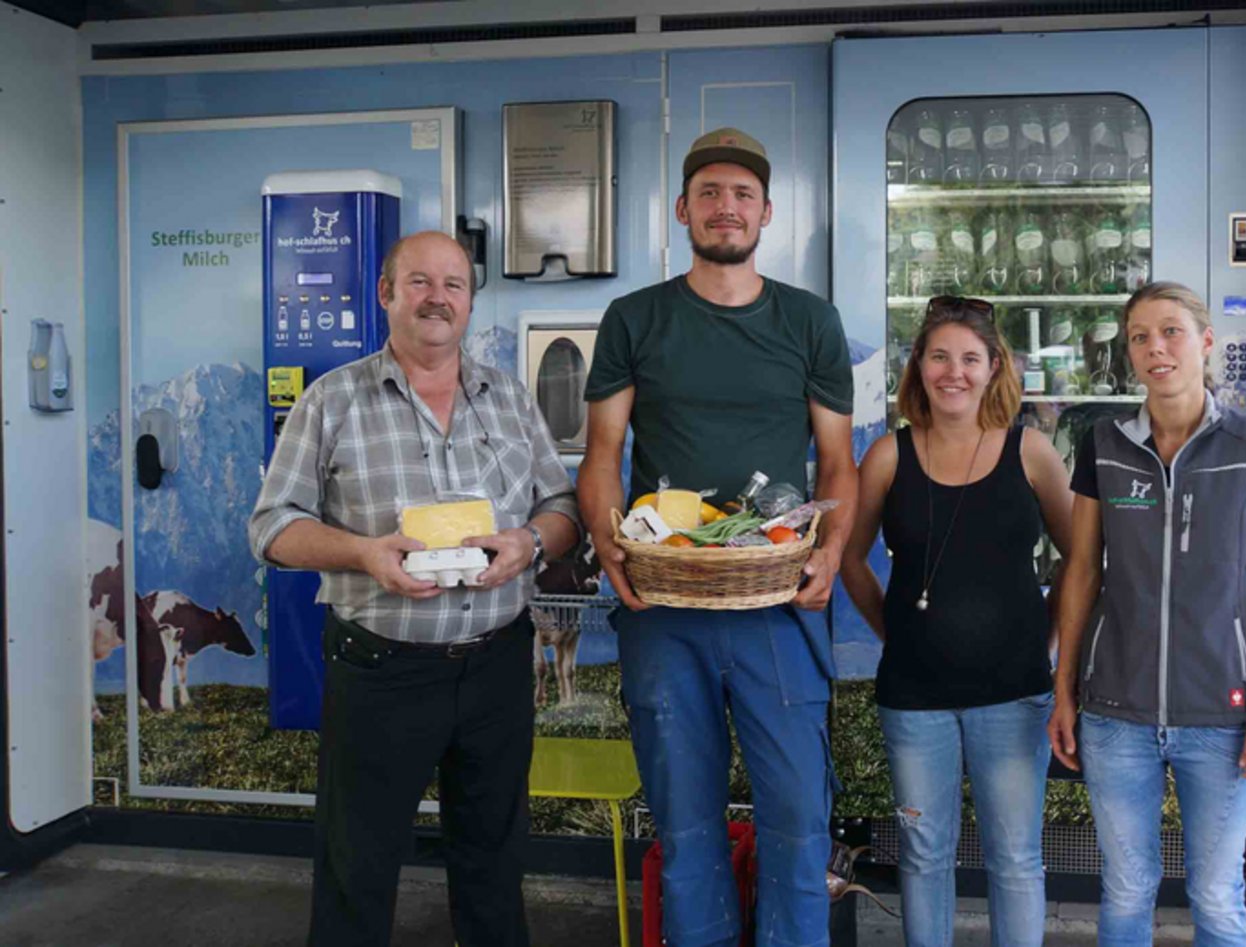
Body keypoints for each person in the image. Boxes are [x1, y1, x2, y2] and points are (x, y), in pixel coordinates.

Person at [248, 231, 580, 947]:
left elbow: (562, 506)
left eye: (453, 284)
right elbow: (271, 528)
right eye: (420, 282)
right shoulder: (332, 399)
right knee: (357, 866)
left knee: (494, 860)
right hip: (381, 669)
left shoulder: (509, 398)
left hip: (497, 665)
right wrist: (364, 553)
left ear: (469, 301)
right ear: (386, 293)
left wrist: (529, 542)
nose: (437, 298)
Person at [577, 127, 858, 946]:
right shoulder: (635, 318)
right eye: (709, 193)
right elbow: (602, 454)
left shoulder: (809, 320)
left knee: (798, 820)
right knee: (685, 824)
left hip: (779, 602)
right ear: (682, 210)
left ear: (766, 212)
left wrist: (830, 552)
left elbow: (837, 461)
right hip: (664, 606)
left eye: (742, 195)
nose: (725, 207)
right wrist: (608, 544)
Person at [1046, 281, 1246, 946]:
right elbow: (1081, 570)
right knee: (1127, 887)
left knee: (1215, 891)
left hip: (1222, 713)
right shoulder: (1103, 445)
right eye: (1140, 337)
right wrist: (1065, 690)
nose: (1155, 348)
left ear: (1205, 342)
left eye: (1171, 332)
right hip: (1115, 714)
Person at [839, 296, 1074, 947]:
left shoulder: (1032, 452)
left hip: (1015, 694)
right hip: (915, 700)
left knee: (1016, 858)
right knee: (923, 857)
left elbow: (1081, 560)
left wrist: (1050, 641)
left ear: (994, 366)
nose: (954, 372)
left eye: (970, 358)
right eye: (939, 356)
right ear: (918, 365)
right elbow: (850, 559)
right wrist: (894, 632)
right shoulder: (888, 456)